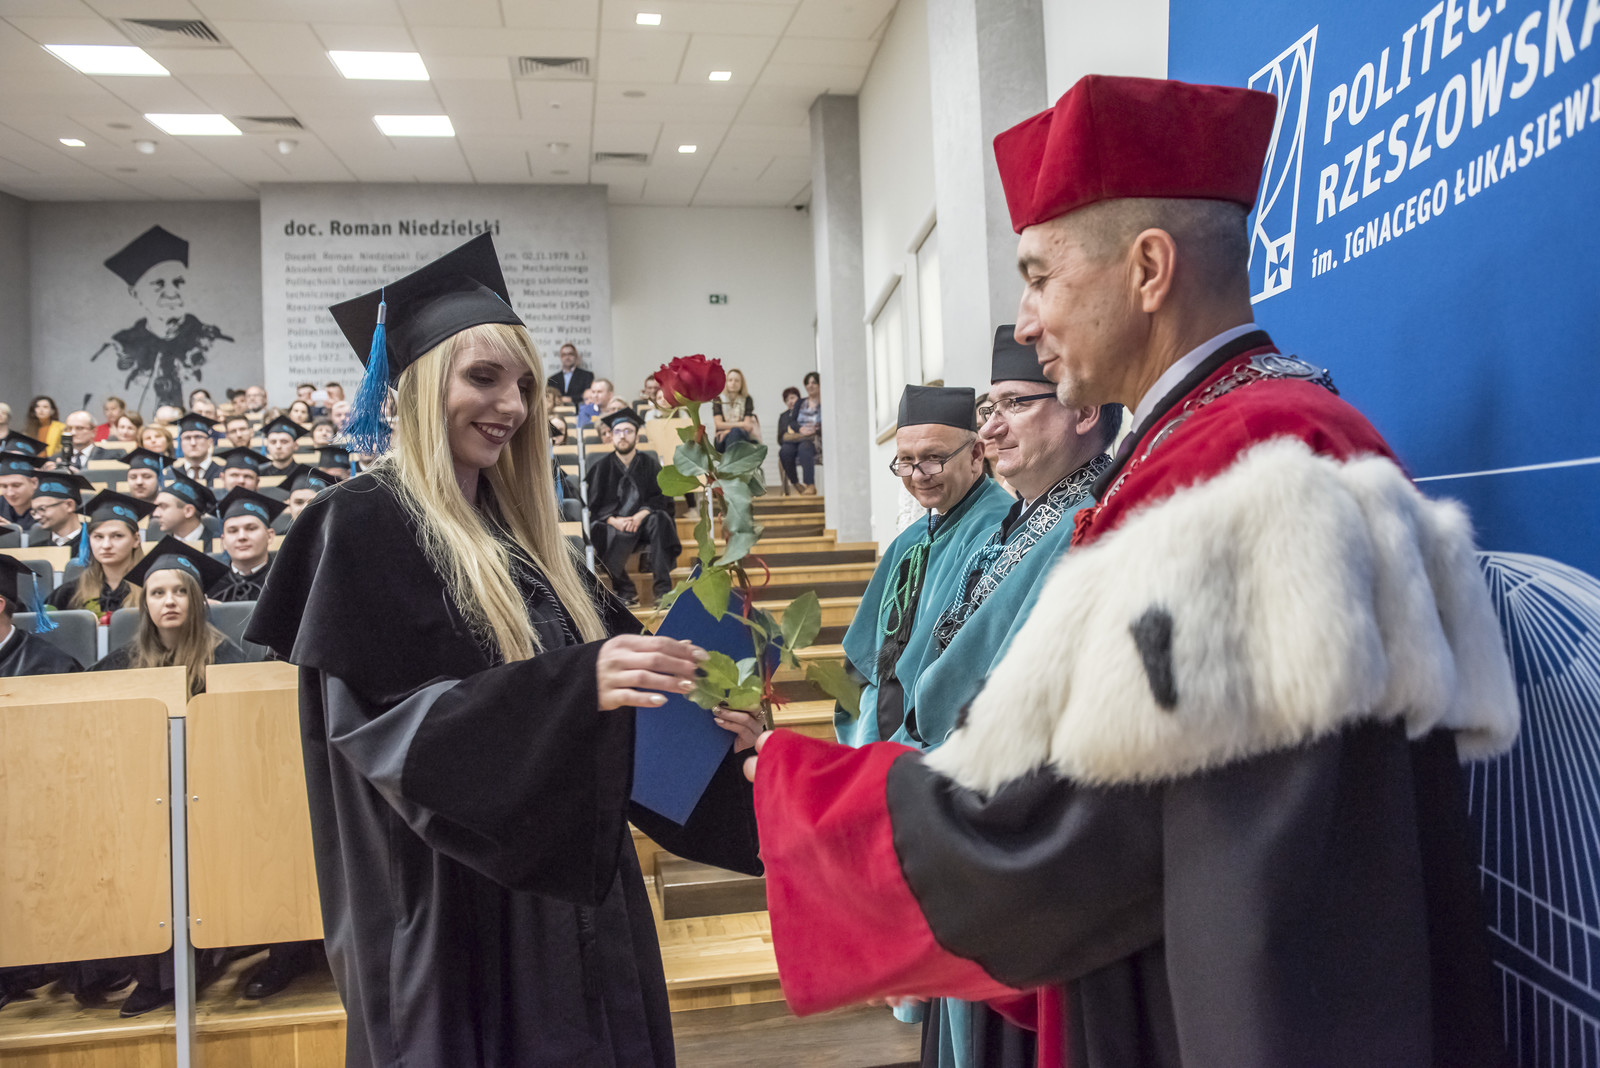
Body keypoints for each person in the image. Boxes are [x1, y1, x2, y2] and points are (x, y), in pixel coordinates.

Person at [743, 75, 1519, 1068]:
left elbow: (1092, 845)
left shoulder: (1249, 468)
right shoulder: (1217, 443)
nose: (1025, 320)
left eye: (1039, 277)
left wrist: (801, 799)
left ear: (1148, 268)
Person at [249, 232, 762, 1068]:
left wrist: (711, 723)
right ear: (420, 387)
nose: (513, 405)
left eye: (524, 384)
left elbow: (624, 704)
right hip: (454, 911)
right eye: (484, 378)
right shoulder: (359, 526)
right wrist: (575, 687)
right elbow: (390, 737)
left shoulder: (532, 547)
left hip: (581, 906)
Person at [889, 331, 1119, 1068]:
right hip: (960, 805)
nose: (989, 428)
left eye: (1014, 405)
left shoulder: (1095, 516)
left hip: (1015, 828)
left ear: (1083, 409)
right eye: (988, 409)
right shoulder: (1025, 515)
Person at [91, 535, 246, 1017]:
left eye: (180, 591)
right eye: (157, 593)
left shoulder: (228, 660)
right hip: (144, 793)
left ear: (197, 601)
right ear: (145, 604)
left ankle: (190, 964)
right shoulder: (123, 663)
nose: (169, 601)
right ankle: (147, 968)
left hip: (213, 794)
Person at [836, 385, 1013, 749]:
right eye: (906, 461)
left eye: (933, 458)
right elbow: (865, 661)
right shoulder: (911, 539)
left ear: (976, 455)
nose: (918, 475)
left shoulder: (998, 531)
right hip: (883, 733)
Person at [587, 408, 680, 607]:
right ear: (611, 436)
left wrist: (640, 516)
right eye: (618, 431)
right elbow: (595, 505)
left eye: (628, 431)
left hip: (645, 523)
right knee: (596, 529)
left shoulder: (651, 464)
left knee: (661, 519)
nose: (623, 436)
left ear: (637, 437)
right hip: (614, 524)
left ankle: (663, 592)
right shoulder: (601, 468)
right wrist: (615, 521)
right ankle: (626, 590)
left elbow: (661, 498)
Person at [47, 490, 152, 618]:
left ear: (136, 540)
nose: (106, 545)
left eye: (117, 536)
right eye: (98, 537)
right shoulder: (69, 594)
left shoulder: (153, 588)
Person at [210, 488, 282, 601]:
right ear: (223, 541)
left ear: (270, 536)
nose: (242, 537)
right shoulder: (211, 587)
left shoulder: (285, 580)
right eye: (233, 531)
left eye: (251, 528)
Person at [24, 471, 92, 554]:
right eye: (34, 512)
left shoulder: (94, 546)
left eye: (42, 509)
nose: (37, 517)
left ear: (69, 505)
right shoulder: (35, 551)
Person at [148, 471, 219, 546]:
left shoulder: (219, 545)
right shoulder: (161, 547)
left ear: (188, 511)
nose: (155, 514)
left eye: (163, 506)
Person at [778, 372, 822, 494]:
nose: (810, 385)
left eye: (814, 382)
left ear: (820, 385)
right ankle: (796, 483)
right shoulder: (800, 402)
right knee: (785, 451)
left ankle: (810, 485)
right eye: (808, 383)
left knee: (804, 448)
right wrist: (800, 429)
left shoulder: (824, 402)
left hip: (814, 438)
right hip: (800, 436)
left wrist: (815, 429)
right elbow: (792, 422)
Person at [711, 368, 758, 449]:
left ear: (741, 383)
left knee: (736, 432)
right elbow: (718, 425)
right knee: (735, 432)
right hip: (722, 438)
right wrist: (741, 424)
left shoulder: (747, 399)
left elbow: (748, 426)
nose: (733, 383)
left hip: (741, 436)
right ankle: (734, 457)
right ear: (726, 382)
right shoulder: (718, 399)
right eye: (730, 380)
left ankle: (731, 457)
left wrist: (727, 430)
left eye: (737, 381)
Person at [278, 464, 332, 529]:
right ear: (289, 506)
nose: (304, 508)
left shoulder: (338, 534)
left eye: (313, 502)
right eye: (299, 502)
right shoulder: (279, 535)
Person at [0, 451, 43, 531]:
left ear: (34, 483)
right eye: (4, 486)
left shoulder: (47, 509)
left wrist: (12, 532)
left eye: (16, 485)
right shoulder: (1, 504)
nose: (10, 493)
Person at [173, 413, 221, 483]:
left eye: (198, 437)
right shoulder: (172, 475)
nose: (193, 443)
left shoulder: (222, 474)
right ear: (180, 443)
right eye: (187, 438)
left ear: (210, 442)